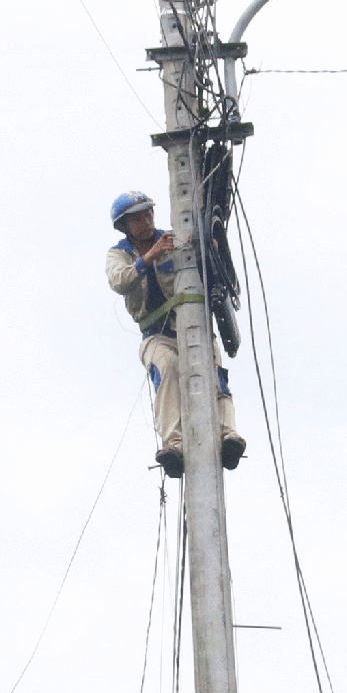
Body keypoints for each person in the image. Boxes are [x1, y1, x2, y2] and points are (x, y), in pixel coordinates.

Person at [104, 190, 243, 479]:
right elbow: (119, 281)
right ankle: (174, 444)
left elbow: (204, 256)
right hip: (156, 334)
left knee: (215, 377)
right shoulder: (119, 254)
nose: (145, 221)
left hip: (194, 329)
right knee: (165, 368)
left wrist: (208, 246)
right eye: (137, 219)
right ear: (125, 226)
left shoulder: (173, 238)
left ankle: (228, 435)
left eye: (147, 214)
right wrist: (148, 259)